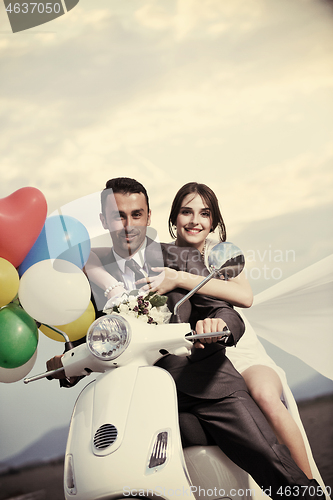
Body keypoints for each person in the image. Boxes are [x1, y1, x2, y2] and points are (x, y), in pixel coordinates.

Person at [47, 177, 323, 500]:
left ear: (149, 216)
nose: (128, 224)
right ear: (104, 221)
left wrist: (216, 327)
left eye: (136, 214)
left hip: (208, 383)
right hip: (142, 395)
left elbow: (226, 310)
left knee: (269, 459)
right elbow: (92, 337)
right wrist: (63, 363)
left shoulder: (180, 259)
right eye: (118, 216)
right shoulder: (91, 277)